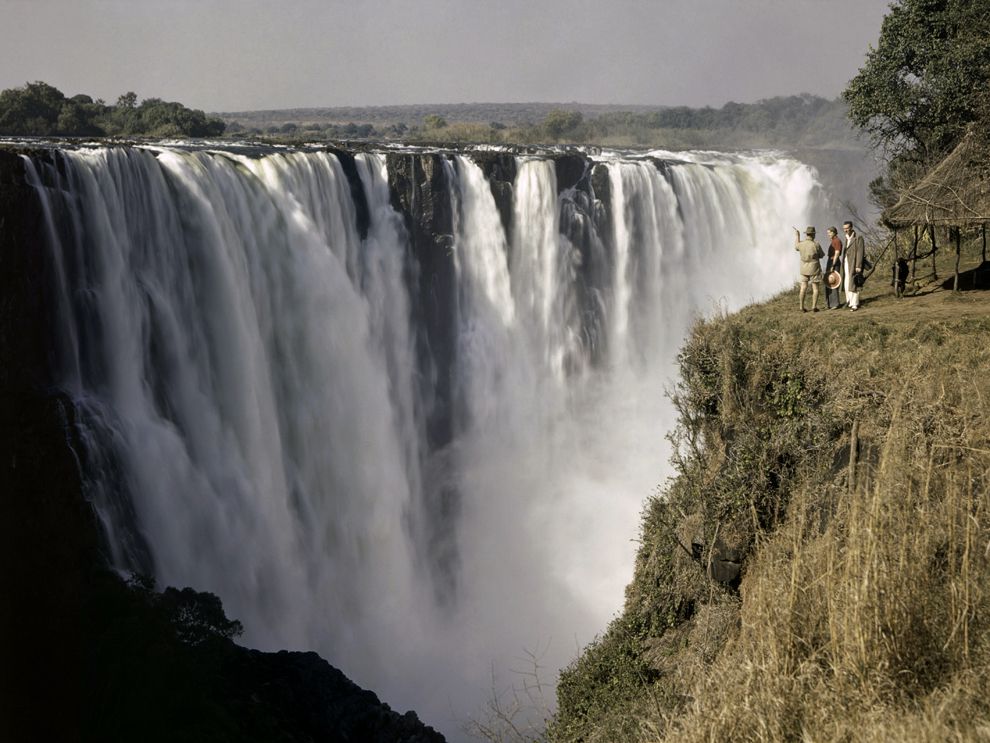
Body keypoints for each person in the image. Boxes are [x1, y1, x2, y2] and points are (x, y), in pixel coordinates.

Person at [793, 226, 824, 312]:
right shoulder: (816, 244)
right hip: (814, 268)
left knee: (803, 287)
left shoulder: (801, 244)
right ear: (813, 235)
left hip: (804, 268)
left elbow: (796, 246)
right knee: (815, 288)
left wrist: (797, 236)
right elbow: (821, 255)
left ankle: (801, 307)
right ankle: (814, 306)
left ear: (806, 234)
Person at [842, 221, 866, 311]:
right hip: (846, 263)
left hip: (854, 263)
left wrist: (858, 265)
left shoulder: (858, 237)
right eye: (844, 228)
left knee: (854, 282)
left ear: (851, 227)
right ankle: (849, 301)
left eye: (847, 228)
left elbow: (860, 252)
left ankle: (855, 304)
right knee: (847, 282)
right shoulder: (846, 238)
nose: (845, 230)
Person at [824, 226, 844, 309]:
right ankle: (829, 303)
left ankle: (835, 304)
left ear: (833, 232)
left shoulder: (837, 241)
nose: (828, 234)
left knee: (833, 282)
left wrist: (832, 265)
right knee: (828, 282)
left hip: (834, 262)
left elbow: (837, 253)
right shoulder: (833, 241)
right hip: (830, 261)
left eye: (829, 233)